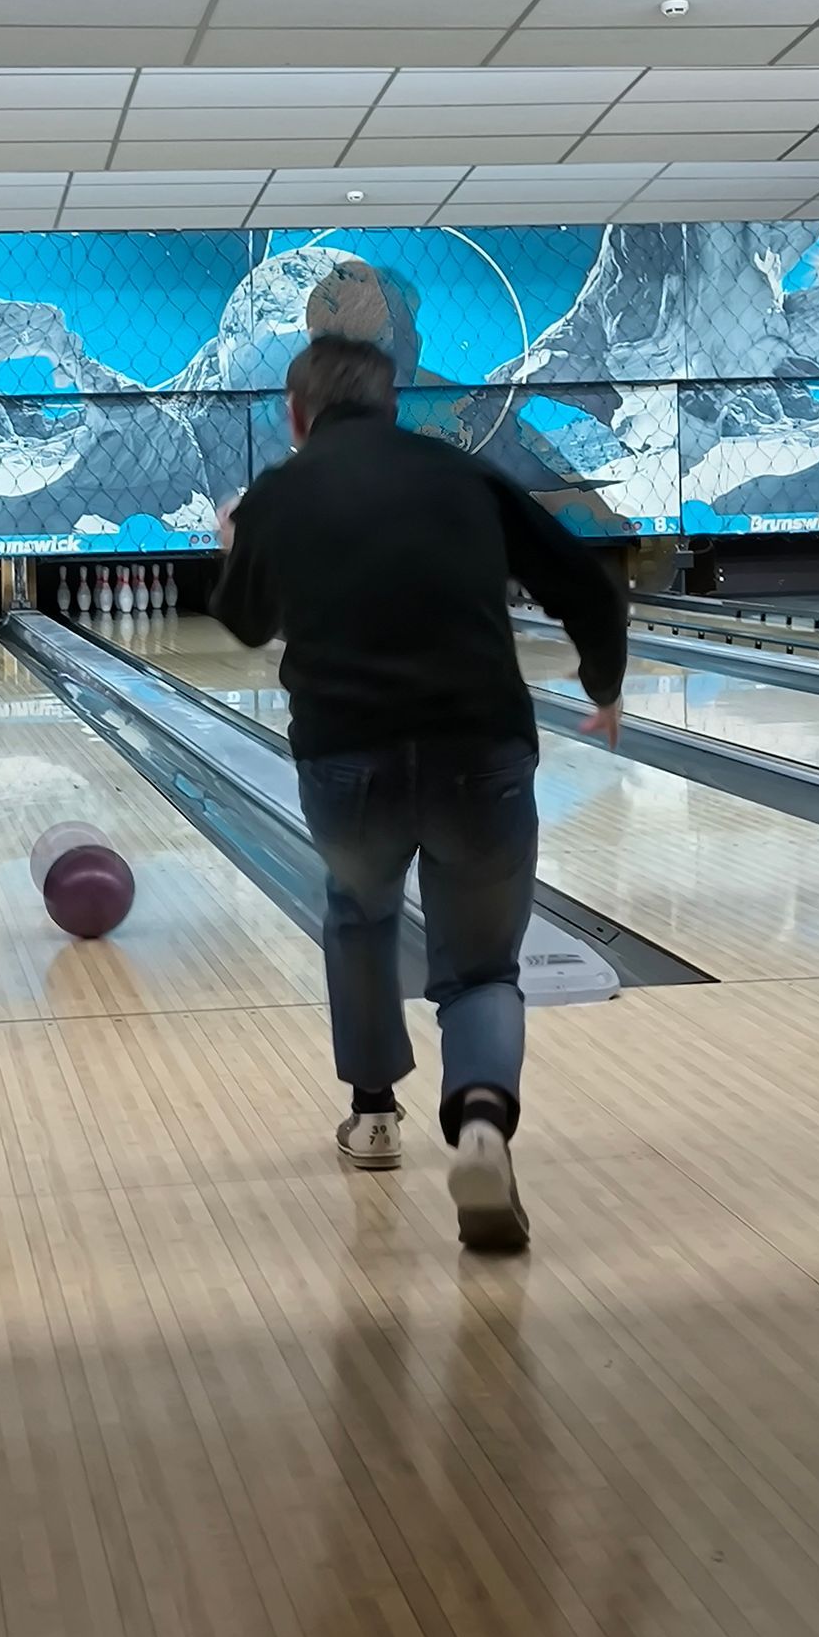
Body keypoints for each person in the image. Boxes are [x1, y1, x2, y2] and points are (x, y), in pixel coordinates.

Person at [211, 334, 627, 1252]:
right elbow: (589, 589)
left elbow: (244, 621)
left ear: (296, 414)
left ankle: (374, 1117)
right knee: (481, 971)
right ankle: (480, 1123)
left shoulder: (282, 489)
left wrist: (235, 544)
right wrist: (603, 687)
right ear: (394, 403)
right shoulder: (462, 474)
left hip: (347, 757)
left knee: (360, 918)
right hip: (480, 748)